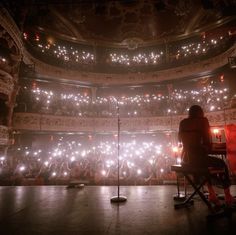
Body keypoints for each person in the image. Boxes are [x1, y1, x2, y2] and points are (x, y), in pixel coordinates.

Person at [178, 104, 235, 207]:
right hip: (197, 159)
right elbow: (207, 142)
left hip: (185, 160)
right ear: (200, 113)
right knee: (222, 164)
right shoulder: (203, 121)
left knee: (205, 165)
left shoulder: (182, 123)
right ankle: (227, 196)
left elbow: (180, 141)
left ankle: (212, 193)